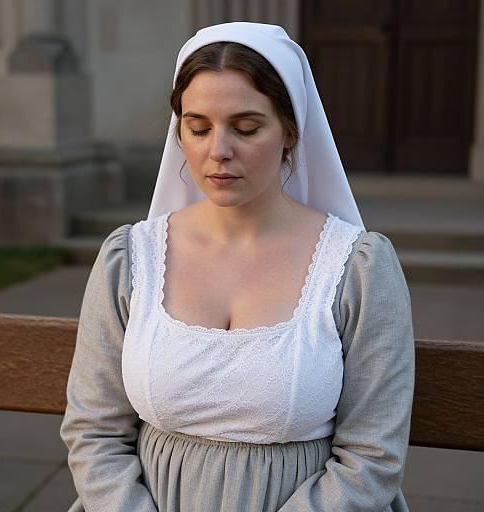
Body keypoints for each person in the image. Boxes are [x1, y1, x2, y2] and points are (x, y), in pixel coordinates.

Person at [60, 22, 415, 512]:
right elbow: (93, 429)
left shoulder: (357, 267)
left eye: (246, 128)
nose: (218, 151)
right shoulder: (130, 259)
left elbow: (372, 456)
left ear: (291, 130)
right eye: (198, 127)